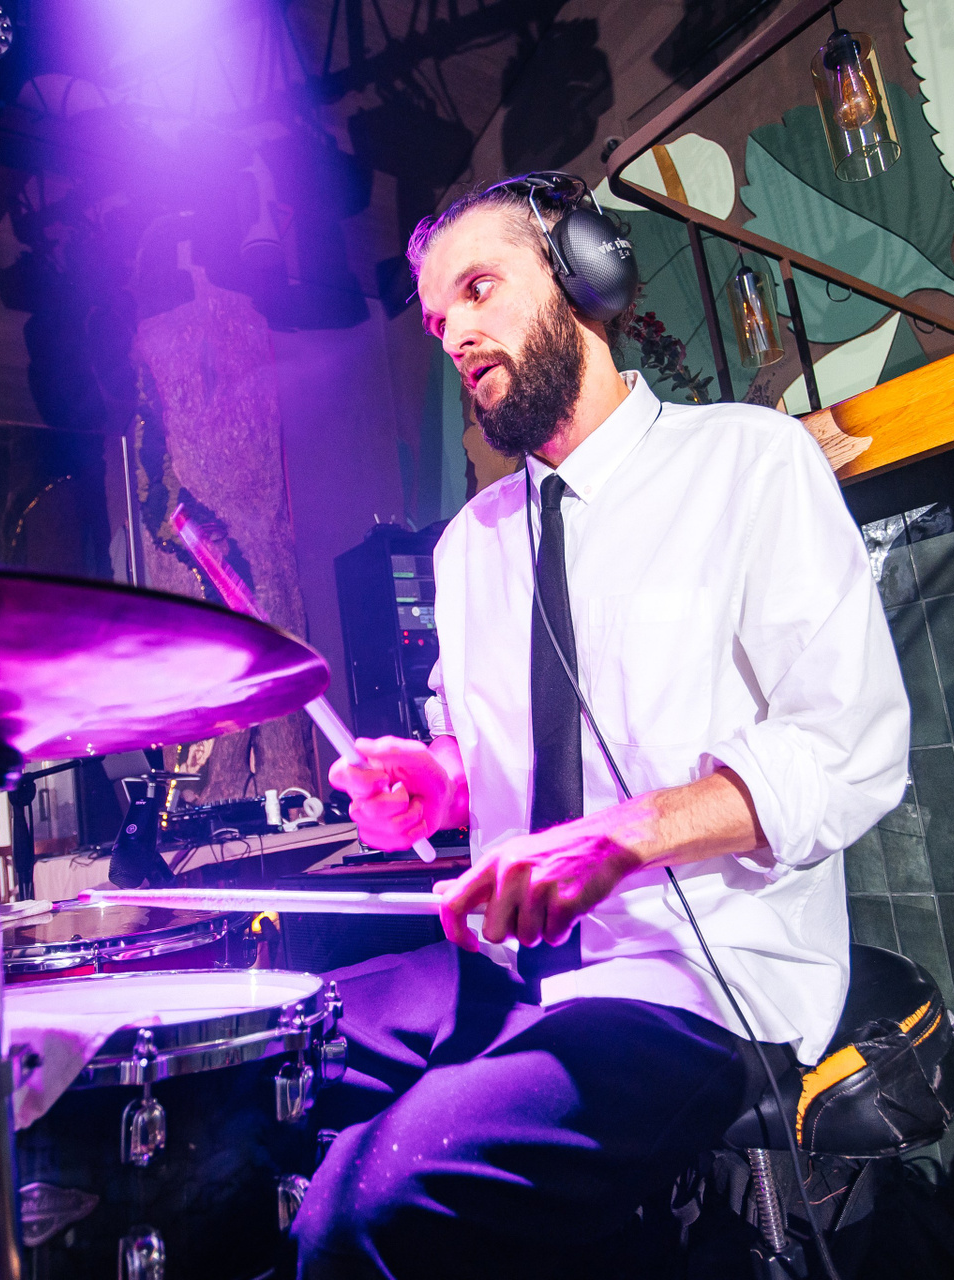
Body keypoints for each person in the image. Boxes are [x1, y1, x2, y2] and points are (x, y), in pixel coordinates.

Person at [292, 172, 910, 1278]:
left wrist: (621, 836)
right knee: (266, 1067)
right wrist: (440, 782)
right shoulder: (468, 546)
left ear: (584, 271)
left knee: (366, 1203)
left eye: (480, 289)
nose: (456, 336)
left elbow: (847, 749)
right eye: (436, 321)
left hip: (697, 980)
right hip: (508, 965)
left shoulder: (749, 463)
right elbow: (496, 752)